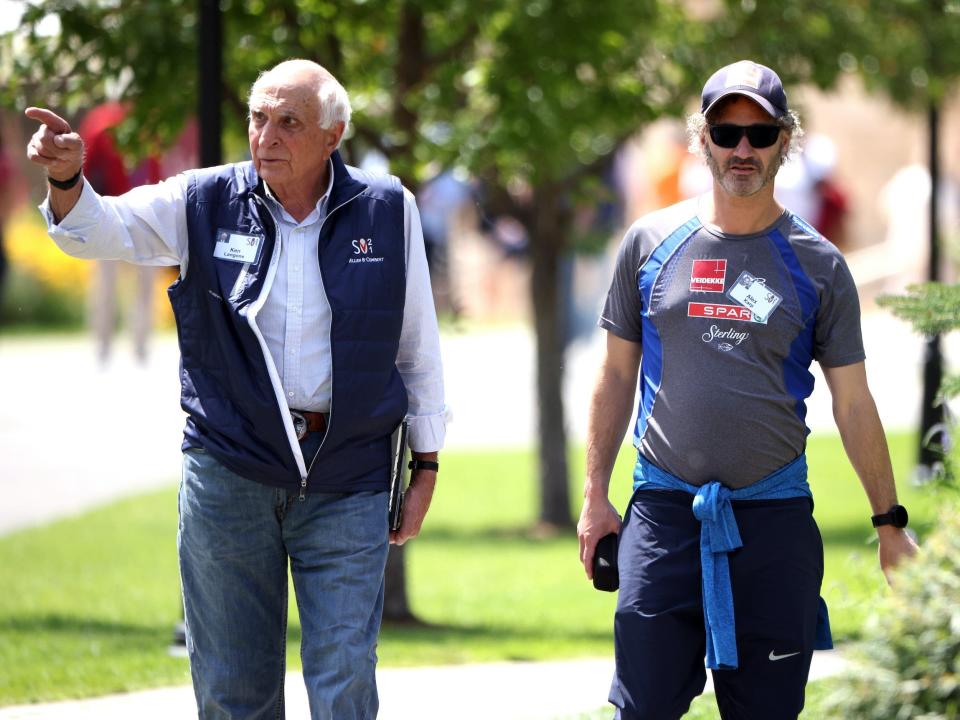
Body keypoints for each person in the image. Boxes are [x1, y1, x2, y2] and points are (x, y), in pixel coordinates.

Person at [26, 58, 446, 720]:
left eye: (289, 122)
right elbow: (100, 229)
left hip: (348, 478)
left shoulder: (387, 208)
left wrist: (425, 463)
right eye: (258, 119)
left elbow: (417, 349)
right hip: (230, 473)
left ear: (332, 135)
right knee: (232, 690)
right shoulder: (202, 199)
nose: (266, 137)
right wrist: (66, 177)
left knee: (345, 684)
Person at [576, 60, 918, 720]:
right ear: (700, 138)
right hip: (664, 515)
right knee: (641, 707)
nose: (743, 149)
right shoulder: (649, 242)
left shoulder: (817, 265)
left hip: (773, 526)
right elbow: (616, 375)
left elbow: (853, 401)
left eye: (760, 135)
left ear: (785, 143)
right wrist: (595, 495)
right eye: (728, 132)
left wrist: (888, 523)